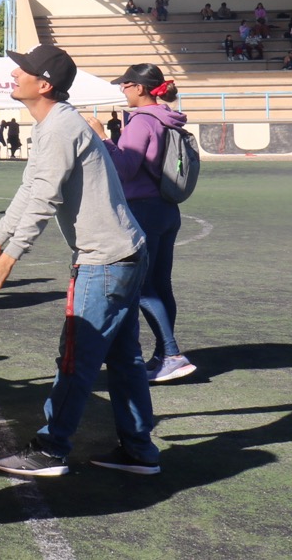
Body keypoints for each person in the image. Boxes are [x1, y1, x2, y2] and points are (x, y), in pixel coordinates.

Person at [0, 45, 161, 478]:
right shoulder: (52, 125)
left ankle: (51, 448)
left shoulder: (60, 127)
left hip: (105, 262)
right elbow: (29, 190)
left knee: (76, 359)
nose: (14, 74)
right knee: (123, 359)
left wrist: (11, 256)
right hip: (124, 253)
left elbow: (44, 198)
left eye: (22, 69)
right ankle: (139, 450)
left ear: (44, 84)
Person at [93, 64, 196, 384]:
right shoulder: (167, 118)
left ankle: (172, 354)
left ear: (139, 88)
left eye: (125, 85)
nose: (122, 90)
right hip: (167, 209)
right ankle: (163, 355)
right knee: (160, 284)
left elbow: (124, 168)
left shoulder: (141, 122)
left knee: (142, 286)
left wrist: (102, 137)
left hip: (144, 209)